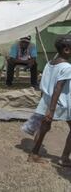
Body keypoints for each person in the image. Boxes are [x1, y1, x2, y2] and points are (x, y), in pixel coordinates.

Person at [27, 35, 71, 166]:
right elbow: (58, 88)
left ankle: (34, 153)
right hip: (60, 103)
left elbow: (44, 84)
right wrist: (51, 111)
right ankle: (64, 158)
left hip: (48, 101)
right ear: (67, 50)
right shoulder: (67, 67)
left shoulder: (49, 63)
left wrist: (45, 104)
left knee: (44, 126)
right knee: (45, 125)